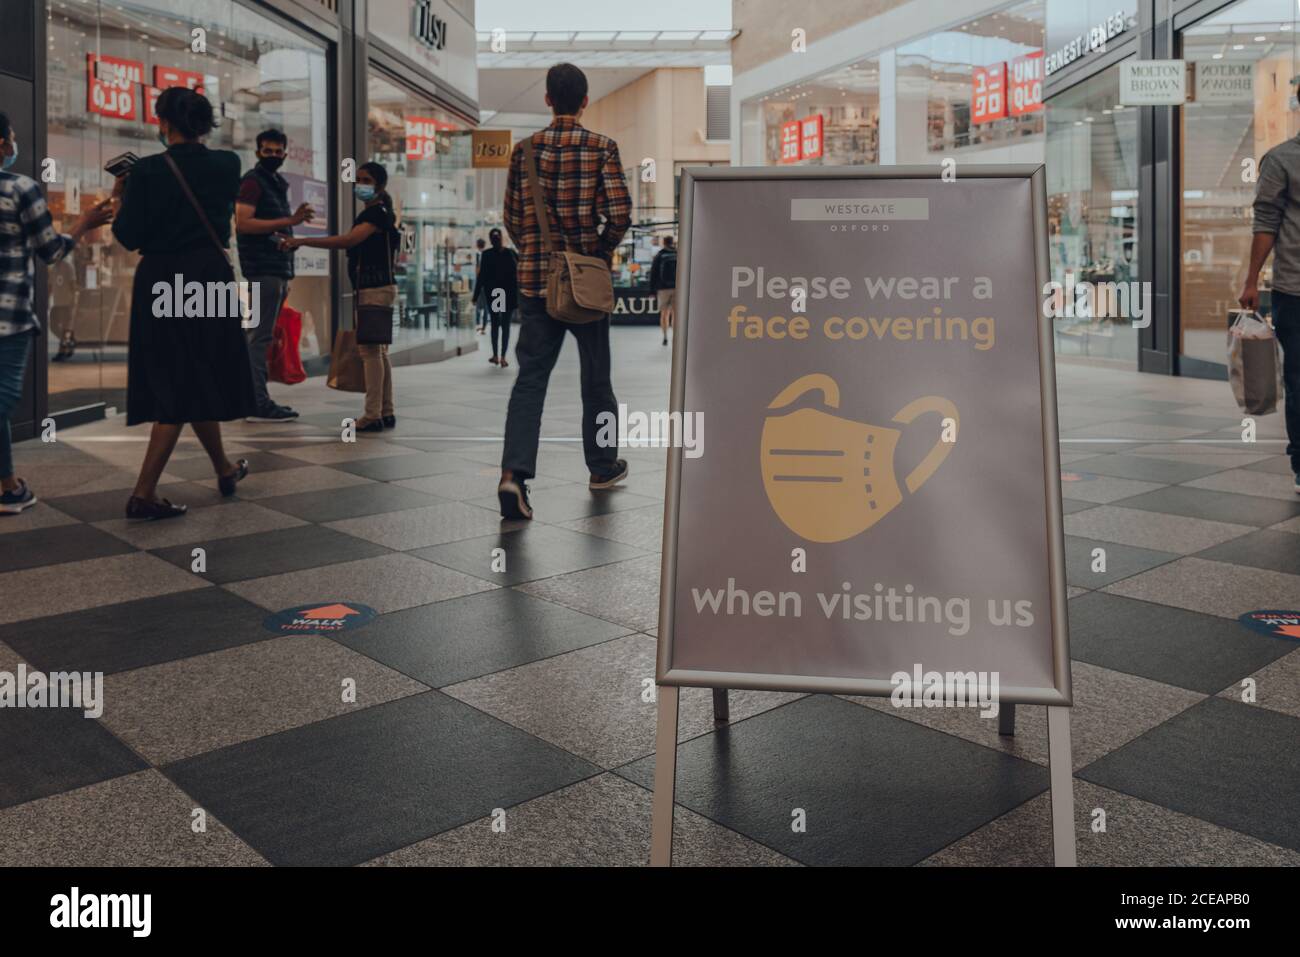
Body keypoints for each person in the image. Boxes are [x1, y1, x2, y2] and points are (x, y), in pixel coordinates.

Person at [111, 87, 256, 520]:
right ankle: (220, 471)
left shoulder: (148, 172)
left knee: (178, 374)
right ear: (206, 125)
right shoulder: (228, 164)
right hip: (208, 275)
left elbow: (130, 236)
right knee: (198, 370)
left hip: (161, 279)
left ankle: (145, 492)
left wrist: (122, 193)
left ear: (164, 123)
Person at [497, 62, 632, 520]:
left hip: (536, 284)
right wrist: (595, 253)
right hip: (587, 287)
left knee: (530, 379)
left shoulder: (525, 151)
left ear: (549, 99)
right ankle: (601, 465)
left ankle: (514, 475)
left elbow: (512, 218)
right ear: (586, 100)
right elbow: (619, 214)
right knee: (596, 380)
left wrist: (536, 250)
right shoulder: (601, 147)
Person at [0, 111, 114, 514]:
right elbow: (51, 251)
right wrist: (84, 223)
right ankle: (6, 487)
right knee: (2, 400)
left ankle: (8, 483)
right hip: (8, 317)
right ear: (1, 145)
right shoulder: (20, 189)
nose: (15, 146)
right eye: (11, 138)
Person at [283, 162, 401, 433]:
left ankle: (373, 414)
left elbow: (348, 241)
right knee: (379, 351)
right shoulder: (380, 212)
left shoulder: (376, 214)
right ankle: (385, 409)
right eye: (357, 179)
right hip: (377, 287)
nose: (360, 184)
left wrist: (303, 241)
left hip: (374, 288)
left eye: (366, 180)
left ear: (380, 186)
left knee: (371, 351)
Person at [235, 128, 313, 422]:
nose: (273, 156)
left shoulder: (275, 183)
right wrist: (290, 220)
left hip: (276, 269)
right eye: (267, 151)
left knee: (258, 335)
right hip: (262, 269)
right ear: (257, 153)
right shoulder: (253, 182)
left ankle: (249, 396)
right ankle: (255, 401)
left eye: (278, 152)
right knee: (260, 336)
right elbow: (243, 223)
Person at [1240, 135, 1300, 494]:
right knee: (1299, 380)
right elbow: (1266, 222)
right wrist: (1251, 281)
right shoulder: (1281, 159)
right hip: (1294, 291)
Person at [472, 228, 518, 367]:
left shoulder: (487, 255)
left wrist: (475, 296)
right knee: (505, 326)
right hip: (508, 293)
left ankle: (496, 356)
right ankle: (503, 357)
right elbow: (519, 274)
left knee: (495, 325)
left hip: (495, 293)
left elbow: (481, 277)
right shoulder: (511, 253)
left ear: (491, 240)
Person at [649, 235, 677, 346]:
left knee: (664, 314)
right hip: (677, 288)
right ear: (673, 242)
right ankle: (676, 336)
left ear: (664, 242)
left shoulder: (659, 255)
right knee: (676, 314)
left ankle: (665, 337)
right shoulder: (679, 253)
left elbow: (653, 274)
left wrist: (651, 291)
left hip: (663, 289)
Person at [474, 237, 489, 334]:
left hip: (480, 285)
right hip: (487, 285)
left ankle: (478, 325)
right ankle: (483, 327)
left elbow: (477, 271)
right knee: (486, 307)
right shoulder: (488, 255)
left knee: (478, 306)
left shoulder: (477, 256)